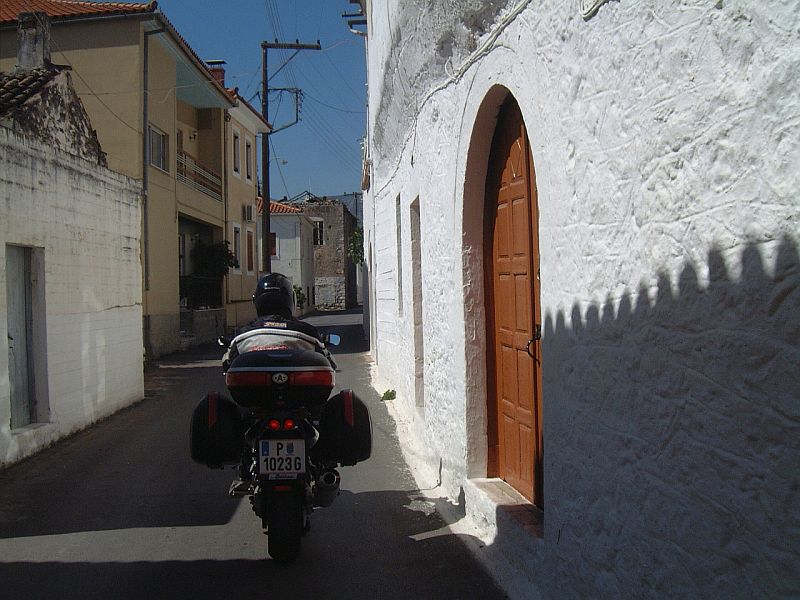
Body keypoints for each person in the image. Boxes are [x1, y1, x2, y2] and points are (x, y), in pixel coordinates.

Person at [223, 272, 333, 370]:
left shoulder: (241, 336)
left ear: (255, 300)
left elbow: (228, 363)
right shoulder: (308, 333)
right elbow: (328, 363)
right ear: (291, 299)